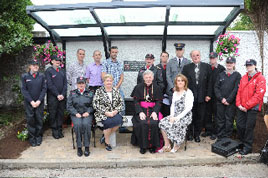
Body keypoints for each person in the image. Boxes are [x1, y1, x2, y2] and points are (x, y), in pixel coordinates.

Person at [236, 59, 266, 155]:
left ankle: (247, 147)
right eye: (247, 65)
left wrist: (246, 106)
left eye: (250, 65)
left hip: (252, 108)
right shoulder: (244, 77)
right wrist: (239, 104)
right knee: (240, 126)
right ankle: (242, 143)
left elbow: (258, 96)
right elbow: (239, 91)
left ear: (255, 66)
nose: (248, 67)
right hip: (242, 107)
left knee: (249, 128)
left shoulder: (260, 78)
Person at [182, 50, 212, 142]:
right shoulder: (186, 68)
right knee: (190, 116)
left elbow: (210, 82)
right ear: (191, 57)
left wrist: (208, 94)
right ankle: (190, 134)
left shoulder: (207, 67)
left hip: (202, 97)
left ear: (200, 56)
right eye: (194, 56)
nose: (196, 57)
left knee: (200, 117)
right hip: (190, 97)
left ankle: (197, 135)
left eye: (197, 55)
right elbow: (183, 82)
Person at [159, 74, 193, 153]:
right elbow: (173, 106)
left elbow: (188, 108)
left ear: (185, 82)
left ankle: (176, 144)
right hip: (175, 114)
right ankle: (167, 144)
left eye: (182, 81)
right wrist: (171, 116)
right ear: (176, 82)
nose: (180, 82)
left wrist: (177, 118)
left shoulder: (188, 92)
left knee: (177, 124)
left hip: (185, 116)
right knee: (162, 122)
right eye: (178, 81)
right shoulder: (175, 92)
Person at [131, 70, 163, 154]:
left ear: (153, 78)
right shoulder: (138, 87)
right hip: (141, 110)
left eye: (150, 77)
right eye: (146, 77)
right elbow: (135, 102)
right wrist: (140, 112)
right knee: (142, 123)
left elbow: (159, 102)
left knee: (154, 123)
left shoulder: (157, 87)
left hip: (153, 110)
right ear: (143, 78)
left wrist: (155, 112)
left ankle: (152, 146)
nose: (148, 79)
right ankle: (143, 146)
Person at [93, 74, 126, 151]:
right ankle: (107, 142)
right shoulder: (99, 91)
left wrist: (116, 111)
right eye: (107, 81)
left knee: (120, 121)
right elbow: (95, 104)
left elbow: (121, 103)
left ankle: (105, 136)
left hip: (114, 112)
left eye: (110, 81)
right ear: (104, 82)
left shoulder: (116, 90)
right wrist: (106, 112)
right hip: (103, 113)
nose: (109, 82)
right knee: (108, 123)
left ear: (112, 82)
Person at [101, 46, 130, 133]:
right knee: (108, 106)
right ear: (110, 52)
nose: (114, 53)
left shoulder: (120, 63)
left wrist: (116, 87)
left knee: (122, 106)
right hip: (108, 89)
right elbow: (103, 75)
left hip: (117, 88)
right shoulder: (105, 62)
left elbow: (122, 77)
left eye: (116, 52)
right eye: (113, 52)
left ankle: (121, 126)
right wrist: (109, 87)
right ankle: (108, 126)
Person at [214, 57, 241, 141]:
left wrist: (228, 100)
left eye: (231, 63)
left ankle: (227, 137)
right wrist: (221, 99)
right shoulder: (221, 74)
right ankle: (220, 136)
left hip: (231, 103)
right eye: (228, 63)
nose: (229, 64)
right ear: (226, 64)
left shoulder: (237, 75)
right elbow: (216, 87)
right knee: (220, 120)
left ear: (234, 64)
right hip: (220, 102)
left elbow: (236, 89)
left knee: (229, 119)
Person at [21, 60, 47, 147]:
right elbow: (24, 90)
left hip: (39, 102)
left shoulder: (42, 76)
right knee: (30, 120)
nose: (36, 66)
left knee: (39, 119)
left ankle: (38, 137)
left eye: (37, 65)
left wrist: (39, 100)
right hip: (29, 103)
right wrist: (31, 101)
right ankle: (32, 138)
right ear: (30, 66)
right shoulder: (25, 76)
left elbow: (44, 89)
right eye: (34, 65)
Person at [67, 77, 94, 157]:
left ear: (85, 84)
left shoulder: (90, 93)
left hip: (87, 114)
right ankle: (79, 147)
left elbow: (94, 105)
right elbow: (69, 106)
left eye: (82, 83)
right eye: (79, 83)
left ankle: (86, 147)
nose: (81, 85)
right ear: (76, 84)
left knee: (86, 125)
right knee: (78, 125)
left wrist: (88, 112)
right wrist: (75, 113)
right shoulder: (72, 93)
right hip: (76, 114)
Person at [202, 52, 225, 140]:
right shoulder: (206, 68)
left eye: (214, 58)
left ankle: (215, 132)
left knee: (216, 115)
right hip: (207, 95)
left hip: (216, 96)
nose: (212, 60)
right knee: (207, 114)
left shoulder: (221, 68)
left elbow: (221, 83)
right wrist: (207, 94)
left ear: (217, 58)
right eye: (211, 58)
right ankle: (208, 130)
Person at [45, 55, 67, 139]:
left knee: (60, 114)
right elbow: (50, 85)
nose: (58, 61)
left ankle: (59, 130)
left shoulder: (62, 71)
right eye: (56, 60)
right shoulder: (49, 71)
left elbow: (65, 84)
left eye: (59, 60)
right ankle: (54, 131)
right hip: (53, 97)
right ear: (52, 61)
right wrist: (57, 94)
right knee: (53, 114)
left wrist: (62, 94)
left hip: (62, 97)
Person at [156, 51, 170, 117]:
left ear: (168, 58)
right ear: (160, 57)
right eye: (163, 56)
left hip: (169, 92)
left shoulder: (170, 67)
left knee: (167, 111)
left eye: (166, 56)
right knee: (159, 110)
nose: (164, 58)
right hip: (159, 92)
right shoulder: (156, 67)